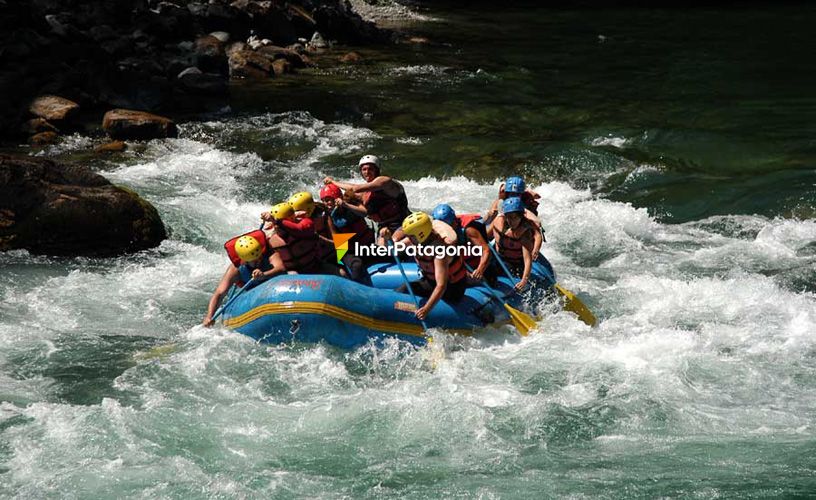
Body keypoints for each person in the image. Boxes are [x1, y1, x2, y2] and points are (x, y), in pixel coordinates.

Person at [203, 230, 286, 326]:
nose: (258, 261)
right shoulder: (235, 270)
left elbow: (281, 268)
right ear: (245, 261)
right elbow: (220, 293)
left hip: (273, 287)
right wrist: (209, 316)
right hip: (250, 294)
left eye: (259, 257)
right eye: (254, 261)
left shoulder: (270, 255)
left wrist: (264, 274)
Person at [323, 154, 410, 244]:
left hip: (403, 222)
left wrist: (334, 182)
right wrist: (332, 182)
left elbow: (354, 188)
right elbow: (355, 190)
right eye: (364, 169)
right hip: (384, 227)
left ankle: (412, 242)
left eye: (370, 169)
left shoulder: (385, 182)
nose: (367, 172)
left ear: (377, 170)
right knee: (381, 250)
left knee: (395, 242)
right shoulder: (365, 194)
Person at [397, 211, 467, 321]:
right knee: (404, 288)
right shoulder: (417, 239)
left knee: (406, 289)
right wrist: (387, 238)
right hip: (430, 281)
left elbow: (441, 285)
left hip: (451, 289)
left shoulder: (440, 252)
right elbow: (394, 248)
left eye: (410, 236)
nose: (408, 238)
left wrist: (426, 309)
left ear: (420, 234)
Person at [319, 183, 379, 283]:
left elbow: (364, 213)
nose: (327, 203)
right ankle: (357, 291)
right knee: (357, 265)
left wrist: (345, 205)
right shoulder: (327, 216)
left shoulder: (351, 204)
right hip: (347, 250)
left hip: (364, 246)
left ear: (337, 198)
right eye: (324, 201)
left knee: (389, 254)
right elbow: (335, 238)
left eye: (329, 199)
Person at [263, 202, 338, 275]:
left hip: (316, 266)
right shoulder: (270, 238)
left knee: (341, 273)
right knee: (293, 274)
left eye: (279, 224)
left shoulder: (306, 225)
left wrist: (277, 221)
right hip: (293, 272)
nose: (277, 227)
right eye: (275, 224)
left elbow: (299, 229)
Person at [431, 203, 495, 283]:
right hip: (461, 265)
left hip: (475, 265)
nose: (442, 230)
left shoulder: (469, 230)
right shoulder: (437, 231)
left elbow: (486, 251)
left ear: (454, 223)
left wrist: (479, 270)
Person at [484, 176, 544, 258]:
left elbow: (536, 221)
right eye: (511, 193)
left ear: (522, 194)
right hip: (505, 228)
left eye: (517, 194)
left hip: (521, 231)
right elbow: (493, 211)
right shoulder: (502, 199)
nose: (513, 196)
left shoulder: (524, 203)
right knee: (493, 219)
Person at [492, 197, 537, 292]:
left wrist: (524, 281)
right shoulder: (499, 222)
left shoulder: (525, 234)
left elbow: (527, 260)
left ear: (521, 217)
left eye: (514, 217)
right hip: (500, 259)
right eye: (508, 217)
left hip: (517, 264)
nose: (511, 221)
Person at [289, 191, 336, 266]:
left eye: (297, 211)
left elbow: (337, 241)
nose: (296, 215)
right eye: (294, 212)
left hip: (330, 254)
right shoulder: (294, 222)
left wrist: (319, 238)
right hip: (312, 259)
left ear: (308, 210)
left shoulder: (323, 216)